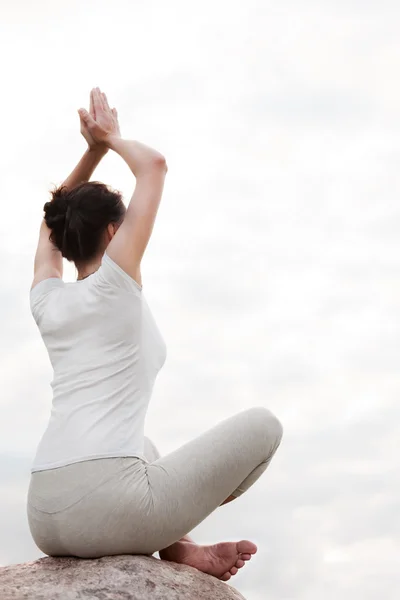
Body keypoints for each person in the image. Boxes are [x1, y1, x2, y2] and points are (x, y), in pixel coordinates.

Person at [26, 87, 284, 582]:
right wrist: (111, 138)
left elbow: (47, 222)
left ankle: (180, 547)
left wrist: (92, 152)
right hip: (107, 508)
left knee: (142, 446)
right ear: (111, 235)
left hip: (44, 511)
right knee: (264, 425)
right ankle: (176, 525)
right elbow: (154, 166)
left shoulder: (46, 300)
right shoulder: (117, 284)